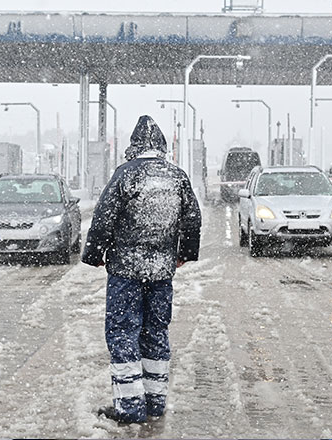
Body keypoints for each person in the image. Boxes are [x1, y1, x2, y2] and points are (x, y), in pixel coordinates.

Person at [82, 115, 202, 424]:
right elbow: (192, 218)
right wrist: (184, 254)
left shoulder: (125, 175)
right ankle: (156, 402)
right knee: (155, 333)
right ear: (161, 146)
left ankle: (130, 407)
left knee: (123, 333)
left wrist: (95, 253)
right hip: (161, 273)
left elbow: (104, 216)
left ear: (134, 147)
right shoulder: (177, 177)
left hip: (125, 272)